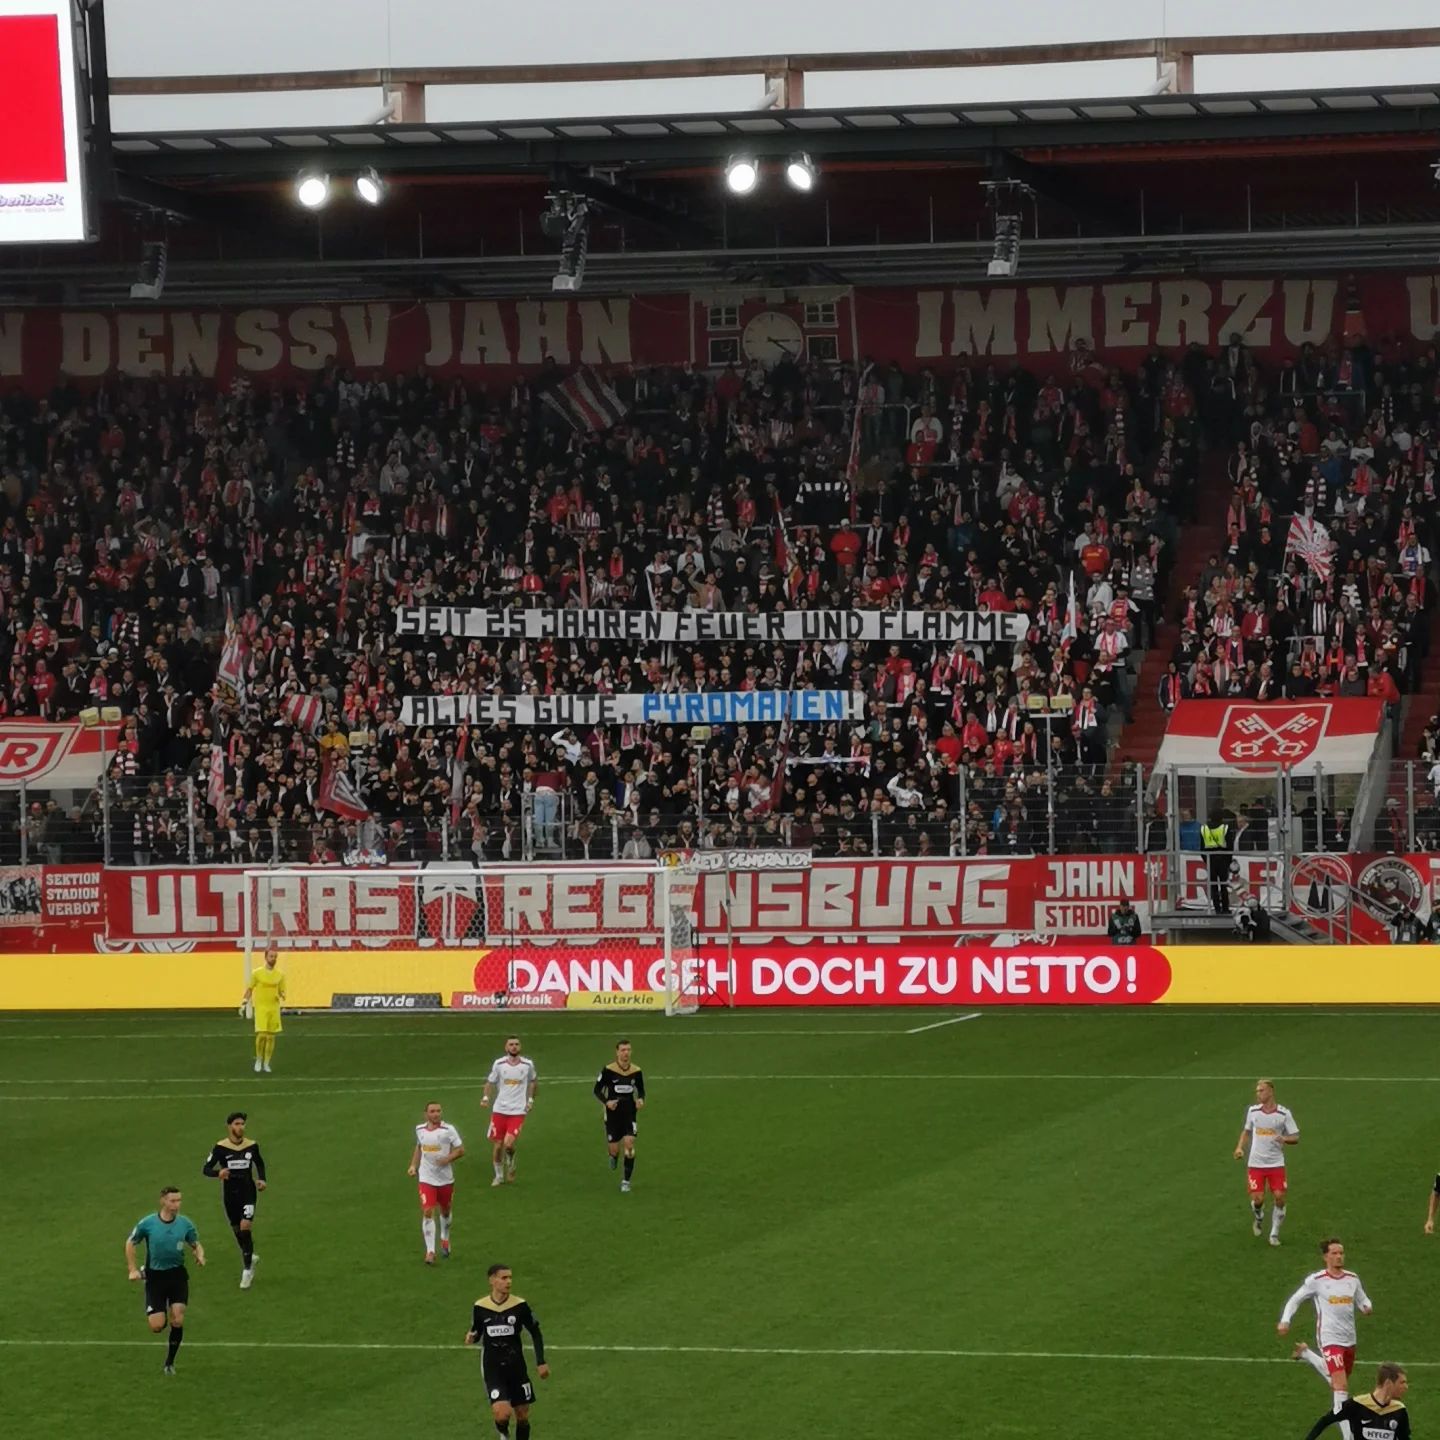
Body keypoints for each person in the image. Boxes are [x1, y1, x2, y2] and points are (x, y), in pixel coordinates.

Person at [1279, 1238, 1374, 1421]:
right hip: (1329, 1338)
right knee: (1341, 1387)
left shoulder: (1352, 1279)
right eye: (1334, 1253)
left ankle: (1306, 1353)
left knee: (1336, 1380)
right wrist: (1285, 1320)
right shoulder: (1317, 1280)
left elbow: (1363, 1300)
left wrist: (1367, 1307)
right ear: (1325, 1257)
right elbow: (1295, 1299)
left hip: (1349, 1339)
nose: (1339, 1257)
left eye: (1341, 1253)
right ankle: (1348, 1436)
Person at [125, 1185, 206, 1374]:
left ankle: (169, 1362)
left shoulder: (185, 1224)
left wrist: (200, 1254)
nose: (176, 1205)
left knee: (177, 1319)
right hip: (156, 1279)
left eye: (179, 1200)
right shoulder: (148, 1223)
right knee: (157, 1326)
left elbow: (195, 1243)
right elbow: (130, 1242)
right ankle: (145, 1273)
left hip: (177, 1276)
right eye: (173, 1201)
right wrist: (132, 1269)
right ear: (163, 1201)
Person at [465, 1262, 549, 1440]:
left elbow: (535, 1332)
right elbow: (478, 1330)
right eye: (504, 1278)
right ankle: (503, 1434)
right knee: (502, 1414)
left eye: (510, 1278)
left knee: (522, 1415)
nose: (508, 1282)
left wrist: (541, 1361)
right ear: (492, 1280)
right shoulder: (480, 1307)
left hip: (516, 1366)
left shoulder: (519, 1306)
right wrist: (472, 1336)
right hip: (493, 1366)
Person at [202, 1110, 267, 1289]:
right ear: (230, 1126)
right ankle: (250, 1255)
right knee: (236, 1229)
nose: (241, 1127)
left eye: (242, 1124)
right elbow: (206, 1169)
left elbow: (259, 1162)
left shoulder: (251, 1145)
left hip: (248, 1192)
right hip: (230, 1194)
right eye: (237, 1124)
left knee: (246, 1226)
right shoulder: (220, 1147)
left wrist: (262, 1179)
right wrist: (218, 1173)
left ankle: (247, 1270)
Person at [1235, 1078, 1299, 1245]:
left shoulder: (1283, 1114)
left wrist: (1284, 1138)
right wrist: (1239, 1147)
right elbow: (1246, 1131)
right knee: (1258, 1199)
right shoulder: (1253, 1111)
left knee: (1279, 1197)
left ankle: (1274, 1233)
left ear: (1271, 1091)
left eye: (1261, 1090)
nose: (1258, 1094)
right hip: (1255, 1163)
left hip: (1276, 1164)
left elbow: (1295, 1136)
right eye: (1257, 1091)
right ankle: (1258, 1215)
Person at [408, 1101, 464, 1264]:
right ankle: (430, 1251)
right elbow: (419, 1147)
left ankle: (445, 1238)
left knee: (445, 1211)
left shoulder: (448, 1130)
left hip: (445, 1179)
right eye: (432, 1111)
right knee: (427, 1212)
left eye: (438, 1111)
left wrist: (447, 1159)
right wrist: (413, 1165)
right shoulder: (419, 1129)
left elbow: (461, 1150)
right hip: (426, 1178)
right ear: (426, 1114)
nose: (436, 1114)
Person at [482, 1036, 537, 1186]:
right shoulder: (499, 1064)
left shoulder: (527, 1064)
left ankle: (511, 1161)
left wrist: (530, 1100)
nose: (514, 1047)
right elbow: (490, 1082)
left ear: (520, 1047)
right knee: (498, 1145)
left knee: (508, 1144)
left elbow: (533, 1081)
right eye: (511, 1044)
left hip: (518, 1111)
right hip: (499, 1110)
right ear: (506, 1048)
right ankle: (499, 1176)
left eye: (517, 1044)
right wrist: (486, 1097)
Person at [1301, 1362, 1409, 1440]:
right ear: (1388, 1383)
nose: (1406, 1387)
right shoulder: (1357, 1404)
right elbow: (1325, 1420)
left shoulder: (1399, 1410)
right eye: (1402, 1382)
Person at [593, 1039, 647, 1192]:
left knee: (629, 1145)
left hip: (629, 1112)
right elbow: (597, 1090)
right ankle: (613, 1156)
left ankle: (626, 1181)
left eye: (628, 1050)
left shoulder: (636, 1071)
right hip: (613, 1114)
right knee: (614, 1149)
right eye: (623, 1050)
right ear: (617, 1052)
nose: (626, 1053)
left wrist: (641, 1099)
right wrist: (607, 1102)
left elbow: (641, 1090)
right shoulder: (608, 1070)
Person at [240, 943, 287, 1073]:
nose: (274, 959)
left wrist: (281, 995)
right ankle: (258, 1060)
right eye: (271, 956)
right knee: (261, 1035)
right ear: (266, 957)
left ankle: (267, 1063)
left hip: (274, 1009)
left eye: (275, 956)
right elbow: (250, 989)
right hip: (261, 1008)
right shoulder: (257, 974)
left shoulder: (280, 975)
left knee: (271, 1037)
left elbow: (283, 992)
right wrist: (244, 1001)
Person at [1201, 808, 1234, 912]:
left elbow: (1201, 847)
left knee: (1213, 886)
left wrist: (1206, 860)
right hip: (1223, 858)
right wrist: (1228, 860)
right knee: (1224, 885)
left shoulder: (1204, 828)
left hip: (1210, 858)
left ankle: (1216, 908)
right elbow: (1230, 846)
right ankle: (1225, 908)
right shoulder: (1225, 827)